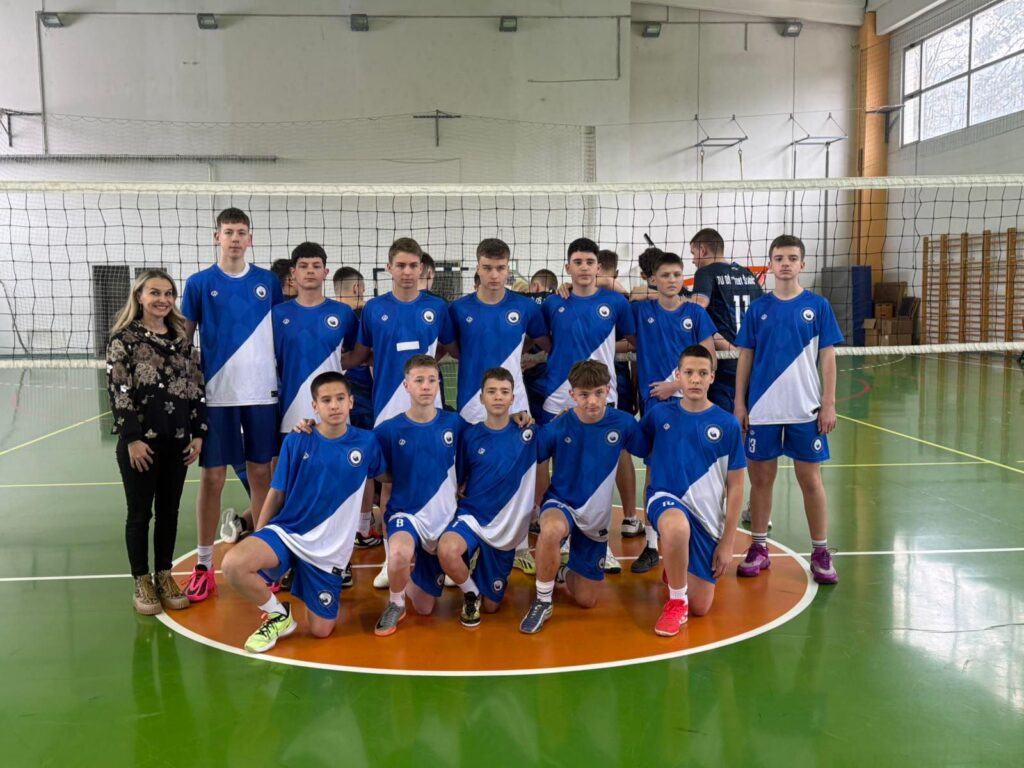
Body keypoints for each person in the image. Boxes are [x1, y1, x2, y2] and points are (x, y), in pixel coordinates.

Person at [221, 372, 385, 652]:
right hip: (288, 532)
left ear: (351, 402)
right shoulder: (297, 440)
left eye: (340, 398)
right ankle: (278, 615)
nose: (334, 405)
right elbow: (276, 493)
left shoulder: (367, 443)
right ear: (314, 406)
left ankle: (302, 579)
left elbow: (382, 480)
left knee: (321, 630)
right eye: (326, 400)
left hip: (328, 551)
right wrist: (259, 534)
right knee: (233, 565)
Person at [180, 208, 284, 602]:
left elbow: (280, 332)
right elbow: (184, 341)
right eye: (229, 232)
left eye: (242, 232)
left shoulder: (268, 282)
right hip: (217, 396)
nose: (235, 238)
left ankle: (261, 559)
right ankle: (204, 565)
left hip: (261, 394)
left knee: (261, 475)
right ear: (217, 237)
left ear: (250, 239)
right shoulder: (199, 283)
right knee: (213, 479)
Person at [344, 238, 455, 589]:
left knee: (439, 482)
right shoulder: (374, 309)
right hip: (387, 412)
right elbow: (360, 355)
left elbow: (451, 348)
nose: (407, 272)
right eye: (401, 265)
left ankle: (443, 557)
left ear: (422, 268)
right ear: (389, 268)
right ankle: (390, 559)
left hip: (431, 411)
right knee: (389, 485)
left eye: (413, 265)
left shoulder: (437, 307)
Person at [734, 234, 842, 585]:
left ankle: (820, 552)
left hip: (805, 409)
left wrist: (828, 403)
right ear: (770, 264)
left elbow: (828, 356)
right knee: (761, 481)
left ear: (802, 264)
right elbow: (745, 356)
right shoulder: (758, 308)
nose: (785, 264)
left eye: (792, 258)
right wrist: (739, 403)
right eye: (779, 258)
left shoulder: (818, 306)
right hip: (762, 409)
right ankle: (759, 547)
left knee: (810, 480)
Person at [519, 361, 648, 634]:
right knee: (551, 529)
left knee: (586, 600)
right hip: (562, 502)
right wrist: (515, 421)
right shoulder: (559, 426)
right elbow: (527, 453)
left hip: (596, 517)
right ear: (572, 394)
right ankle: (543, 600)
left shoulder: (623, 423)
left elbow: (651, 451)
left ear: (608, 391)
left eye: (599, 393)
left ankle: (562, 571)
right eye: (584, 394)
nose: (592, 401)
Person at [106, 269, 206, 615]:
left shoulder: (181, 339)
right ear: (139, 296)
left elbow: (196, 386)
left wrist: (199, 434)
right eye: (155, 293)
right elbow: (119, 391)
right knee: (139, 514)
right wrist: (131, 439)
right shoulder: (123, 339)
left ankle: (164, 574)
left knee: (169, 512)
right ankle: (141, 579)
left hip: (177, 442)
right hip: (141, 445)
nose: (162, 300)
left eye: (168, 294)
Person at [535, 239, 636, 574]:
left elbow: (633, 340)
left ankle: (610, 532)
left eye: (589, 262)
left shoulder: (615, 302)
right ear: (568, 268)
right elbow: (546, 342)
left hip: (602, 393)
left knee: (609, 459)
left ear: (598, 267)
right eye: (577, 262)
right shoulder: (554, 303)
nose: (583, 267)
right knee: (553, 458)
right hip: (559, 393)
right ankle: (552, 525)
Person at [641, 346, 744, 636]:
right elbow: (632, 441)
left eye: (702, 373)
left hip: (706, 519)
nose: (695, 379)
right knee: (676, 528)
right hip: (665, 499)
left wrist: (727, 543)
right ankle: (676, 603)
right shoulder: (659, 415)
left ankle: (676, 567)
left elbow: (736, 486)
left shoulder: (727, 424)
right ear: (678, 376)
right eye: (688, 373)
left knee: (701, 606)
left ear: (712, 377)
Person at [627, 252, 719, 573]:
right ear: (652, 279)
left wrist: (676, 386)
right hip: (656, 408)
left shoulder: (695, 313)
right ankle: (652, 544)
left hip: (690, 405)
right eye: (665, 275)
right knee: (654, 473)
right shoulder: (642, 311)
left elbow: (710, 359)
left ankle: (695, 538)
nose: (672, 280)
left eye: (677, 275)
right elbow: (630, 332)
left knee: (692, 471)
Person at [437, 367, 538, 627]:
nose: (498, 397)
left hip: (504, 527)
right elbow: (459, 480)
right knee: (447, 550)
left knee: (492, 607)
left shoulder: (528, 433)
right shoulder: (469, 435)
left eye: (504, 392)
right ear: (481, 398)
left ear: (513, 398)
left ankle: (481, 573)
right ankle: (471, 593)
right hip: (472, 517)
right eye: (491, 391)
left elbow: (562, 429)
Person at [372, 356, 464, 636]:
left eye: (432, 380)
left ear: (439, 384)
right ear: (406, 385)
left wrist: (517, 418)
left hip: (443, 517)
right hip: (406, 513)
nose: (426, 386)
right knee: (399, 553)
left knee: (424, 607)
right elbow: (375, 468)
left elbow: (488, 438)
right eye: (419, 380)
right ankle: (395, 603)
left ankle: (409, 578)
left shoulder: (455, 423)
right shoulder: (388, 429)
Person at [448, 238, 547, 425]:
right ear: (478, 268)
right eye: (487, 268)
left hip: (514, 402)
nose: (494, 275)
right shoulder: (457, 309)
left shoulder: (526, 307)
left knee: (518, 443)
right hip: (471, 401)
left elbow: (545, 343)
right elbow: (452, 349)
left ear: (508, 269)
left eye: (500, 268)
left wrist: (518, 352)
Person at [333, 266, 382, 548]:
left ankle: (342, 527)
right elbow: (372, 356)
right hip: (364, 403)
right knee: (367, 467)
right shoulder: (363, 316)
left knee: (338, 466)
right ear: (357, 289)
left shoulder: (326, 315)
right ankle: (363, 529)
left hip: (330, 405)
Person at [689, 228, 764, 413]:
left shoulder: (705, 272)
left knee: (721, 422)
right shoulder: (748, 275)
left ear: (703, 250)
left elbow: (697, 308)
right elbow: (763, 314)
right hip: (752, 359)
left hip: (724, 362)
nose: (693, 260)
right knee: (747, 418)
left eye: (693, 253)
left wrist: (674, 299)